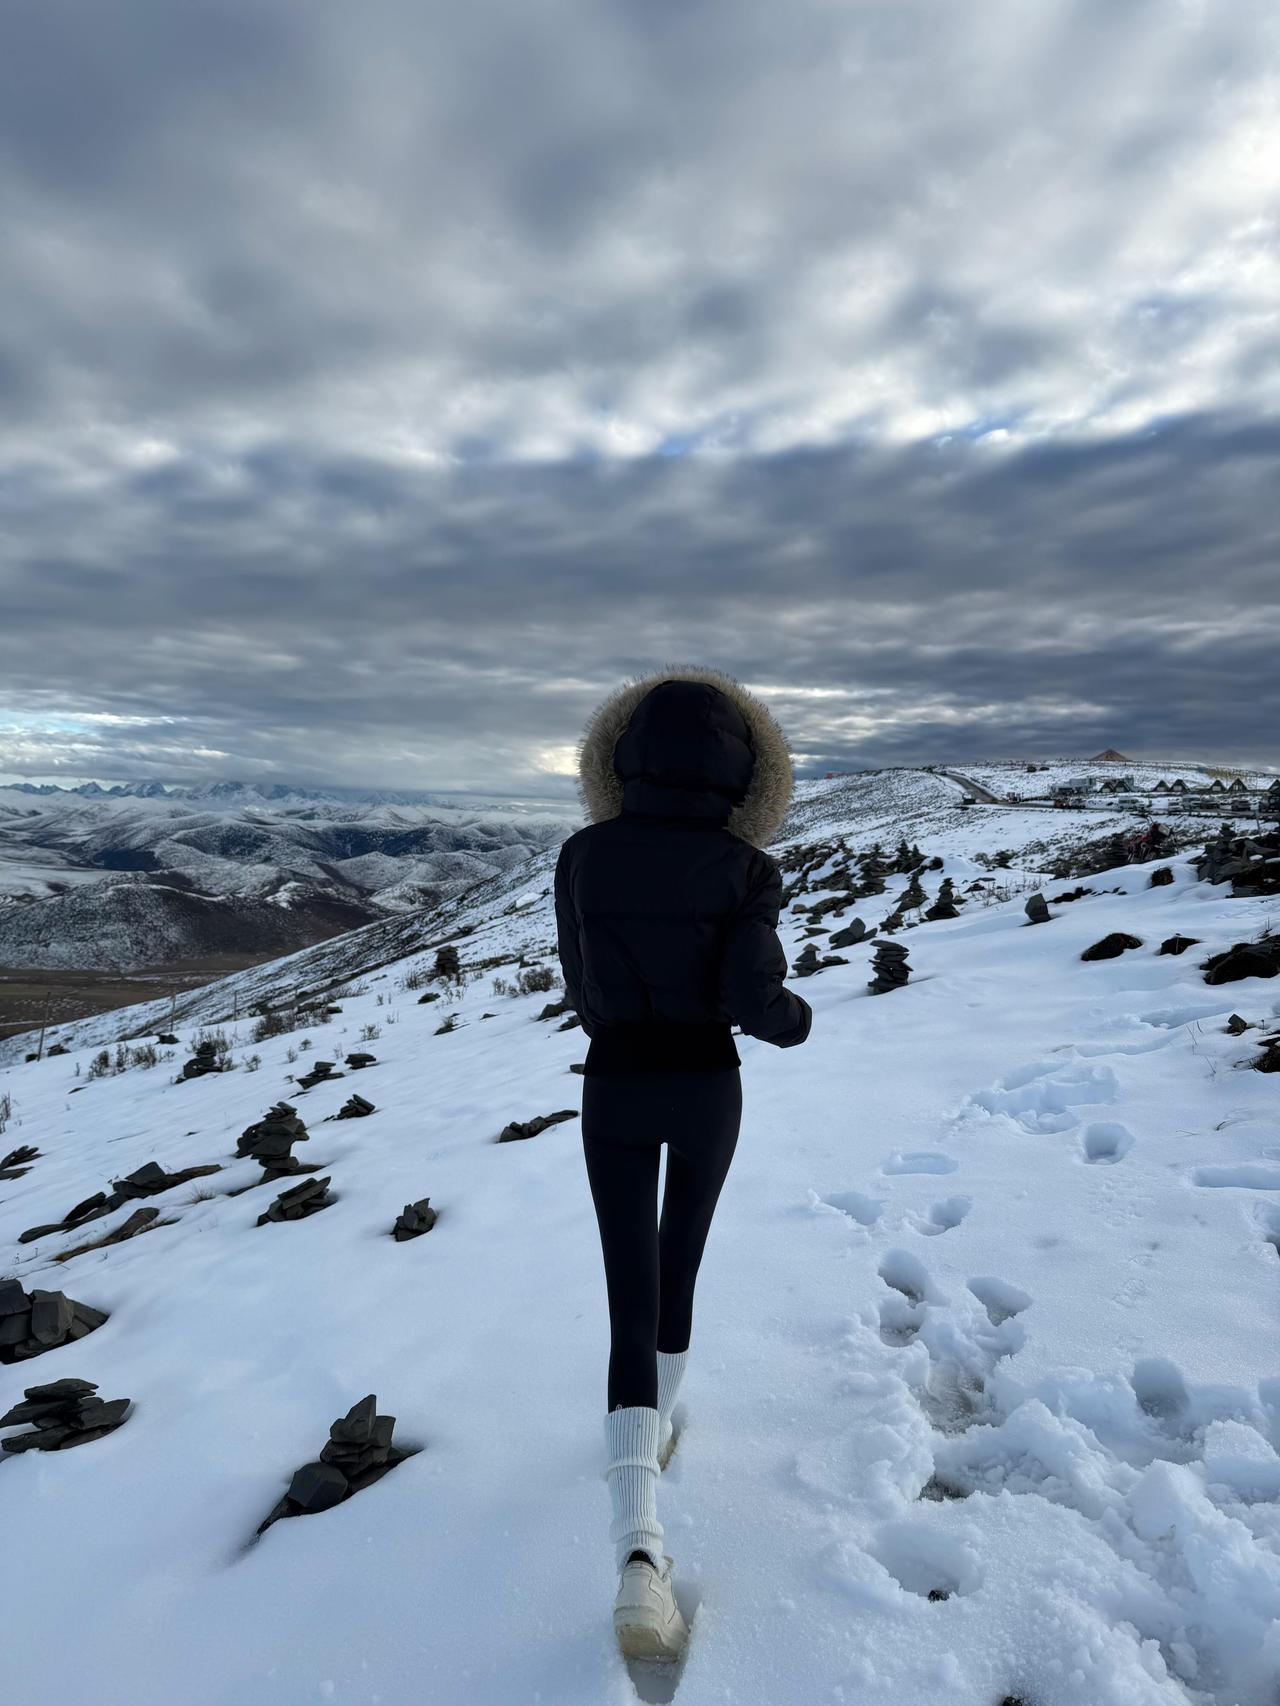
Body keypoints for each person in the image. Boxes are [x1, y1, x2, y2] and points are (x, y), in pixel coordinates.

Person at [554, 665, 813, 1662]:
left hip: (612, 1082)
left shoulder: (583, 854)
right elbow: (757, 1000)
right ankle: (657, 1428)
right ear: (744, 769)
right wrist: (794, 1017)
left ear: (618, 754)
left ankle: (638, 1555)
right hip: (706, 1086)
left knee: (623, 1290)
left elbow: (583, 981)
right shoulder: (744, 869)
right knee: (678, 1264)